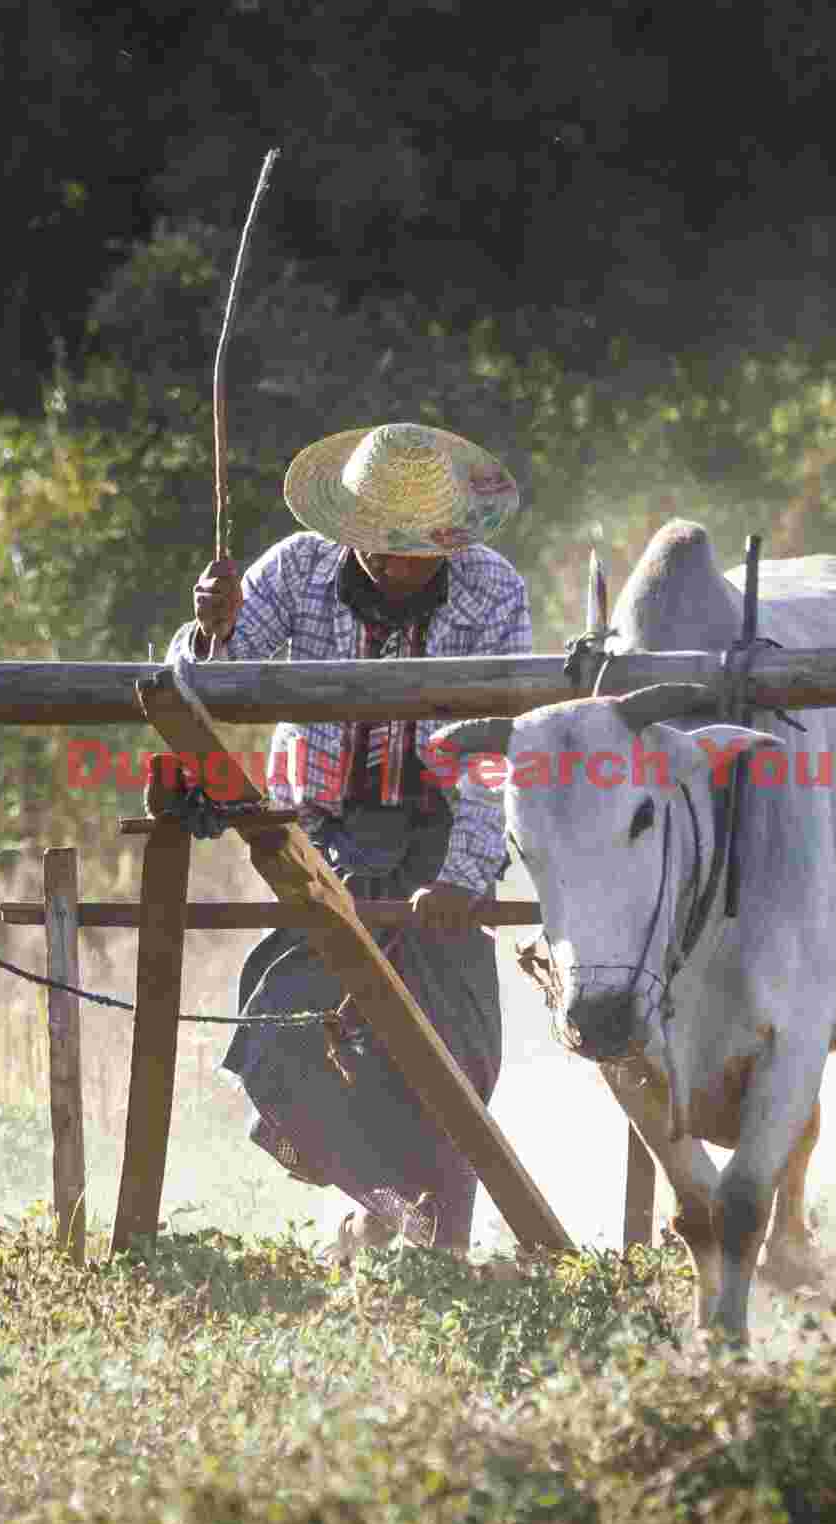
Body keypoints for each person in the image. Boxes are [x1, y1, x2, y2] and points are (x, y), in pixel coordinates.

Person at [171, 421, 532, 1261]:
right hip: (326, 835)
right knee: (287, 1030)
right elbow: (206, 683)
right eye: (376, 542)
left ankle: (438, 1234)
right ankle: (385, 1204)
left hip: (439, 835)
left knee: (453, 1050)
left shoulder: (491, 591)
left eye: (411, 547)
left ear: (448, 537)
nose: (392, 561)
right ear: (347, 528)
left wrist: (465, 876)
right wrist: (211, 630)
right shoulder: (295, 568)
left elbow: (492, 749)